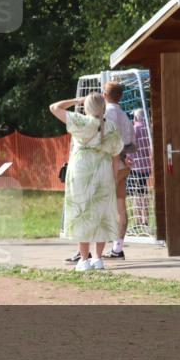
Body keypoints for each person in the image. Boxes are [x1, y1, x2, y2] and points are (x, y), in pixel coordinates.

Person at [50, 93, 124, 271]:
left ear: (87, 107)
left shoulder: (80, 121)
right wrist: (114, 179)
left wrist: (76, 101)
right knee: (102, 214)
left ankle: (84, 259)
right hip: (104, 172)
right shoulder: (111, 126)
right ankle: (98, 259)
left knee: (81, 212)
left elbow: (54, 107)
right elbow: (116, 157)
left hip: (81, 172)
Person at [103, 81, 134, 260]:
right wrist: (124, 156)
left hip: (109, 166)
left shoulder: (106, 114)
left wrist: (117, 155)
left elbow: (106, 140)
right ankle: (118, 247)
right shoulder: (124, 115)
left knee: (100, 206)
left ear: (105, 94)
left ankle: (87, 249)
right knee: (121, 208)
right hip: (124, 167)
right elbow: (132, 145)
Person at [130, 108, 153, 228]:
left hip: (136, 165)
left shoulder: (136, 128)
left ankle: (139, 221)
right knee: (143, 192)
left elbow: (132, 147)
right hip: (146, 165)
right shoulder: (148, 128)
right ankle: (146, 220)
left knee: (137, 194)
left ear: (136, 117)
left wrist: (128, 158)